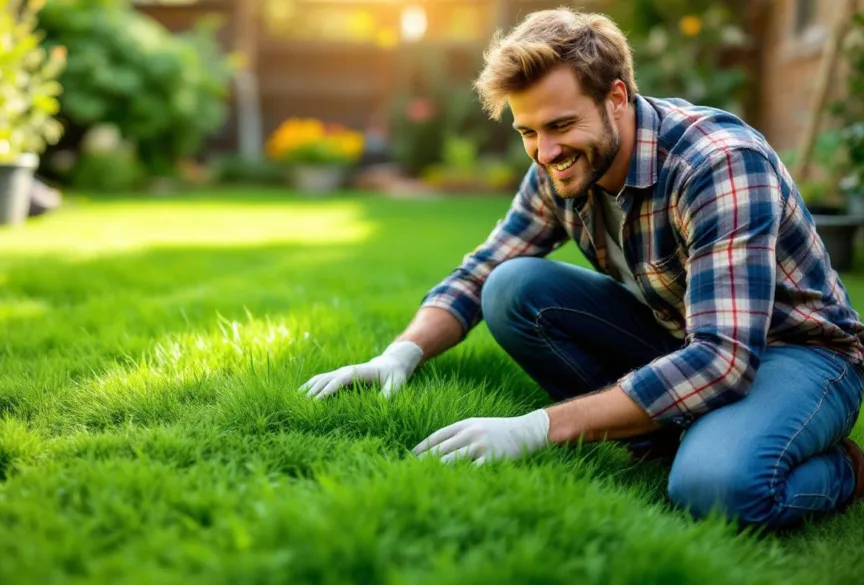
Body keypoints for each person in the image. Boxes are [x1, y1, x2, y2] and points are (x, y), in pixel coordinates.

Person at [298, 7, 864, 532]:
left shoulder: (717, 165)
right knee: (511, 286)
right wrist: (399, 353)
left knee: (712, 487)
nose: (545, 152)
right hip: (684, 337)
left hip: (796, 353)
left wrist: (537, 428)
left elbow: (724, 359)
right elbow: (482, 270)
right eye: (528, 133)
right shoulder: (561, 166)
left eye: (560, 126)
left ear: (616, 96)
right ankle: (671, 430)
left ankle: (842, 467)